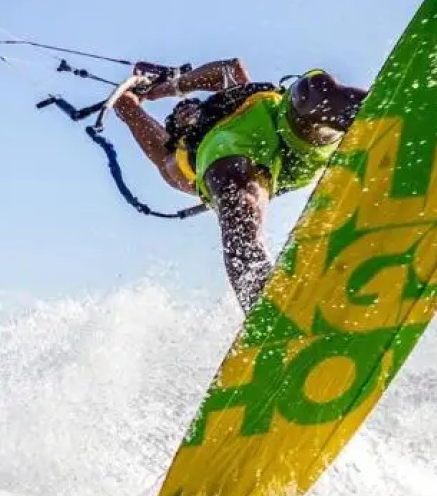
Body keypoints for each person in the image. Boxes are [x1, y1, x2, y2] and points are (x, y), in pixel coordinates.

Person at [110, 59, 367, 312]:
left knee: (311, 90)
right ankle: (269, 311)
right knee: (236, 203)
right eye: (178, 115)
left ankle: (377, 114)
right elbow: (132, 115)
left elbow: (229, 69)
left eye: (190, 105)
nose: (185, 111)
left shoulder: (238, 97)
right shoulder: (178, 160)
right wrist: (128, 102)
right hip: (234, 164)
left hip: (282, 124)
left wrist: (165, 88)